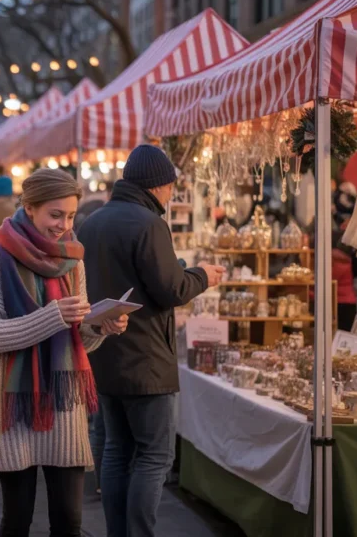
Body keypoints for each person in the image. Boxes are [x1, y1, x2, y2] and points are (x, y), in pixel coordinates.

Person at [0, 168, 129, 536]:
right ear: (29, 208)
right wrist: (53, 316)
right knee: (17, 520)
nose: (64, 224)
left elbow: (78, 338)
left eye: (71, 215)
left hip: (62, 407)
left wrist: (99, 327)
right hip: (13, 408)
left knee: (69, 522)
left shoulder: (73, 260)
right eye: (55, 215)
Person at [78, 144, 224, 537]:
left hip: (105, 355)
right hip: (146, 362)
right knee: (155, 456)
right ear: (157, 185)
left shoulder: (92, 222)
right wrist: (202, 275)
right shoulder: (148, 223)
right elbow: (170, 290)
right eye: (170, 187)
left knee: (116, 452)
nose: (171, 195)